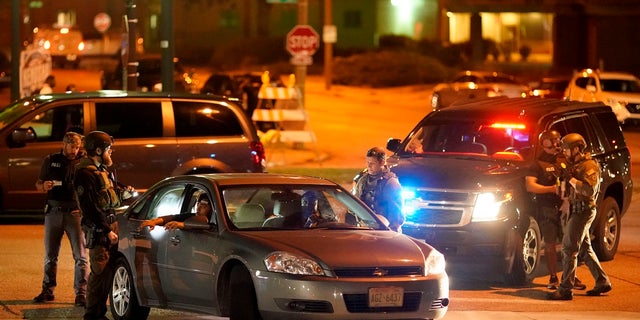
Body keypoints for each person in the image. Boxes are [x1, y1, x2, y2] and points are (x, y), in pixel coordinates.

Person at [74, 131, 134, 320]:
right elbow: (89, 207)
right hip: (99, 229)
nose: (111, 153)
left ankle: (99, 313)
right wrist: (106, 230)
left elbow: (109, 192)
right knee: (99, 272)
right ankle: (93, 315)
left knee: (108, 271)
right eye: (108, 150)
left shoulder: (102, 170)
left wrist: (123, 192)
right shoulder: (85, 173)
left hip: (110, 224)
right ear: (98, 150)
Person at [548, 133, 612, 300]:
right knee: (584, 248)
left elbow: (588, 190)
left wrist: (571, 179)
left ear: (577, 149)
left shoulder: (589, 166)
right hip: (575, 210)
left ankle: (565, 289)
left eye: (567, 150)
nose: (565, 153)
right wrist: (560, 178)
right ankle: (602, 281)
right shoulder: (573, 165)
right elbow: (561, 191)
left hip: (584, 210)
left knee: (569, 249)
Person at [33, 132, 88, 307]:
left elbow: (89, 189)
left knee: (81, 256)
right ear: (64, 144)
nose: (75, 150)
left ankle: (81, 293)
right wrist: (44, 186)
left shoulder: (83, 162)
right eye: (72, 147)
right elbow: (38, 183)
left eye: (78, 147)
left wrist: (82, 209)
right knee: (50, 255)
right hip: (54, 212)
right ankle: (48, 290)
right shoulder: (51, 160)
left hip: (74, 213)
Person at [525, 130, 585, 290]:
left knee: (570, 244)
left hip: (567, 206)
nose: (555, 148)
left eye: (557, 143)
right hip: (547, 207)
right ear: (543, 144)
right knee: (550, 244)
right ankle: (553, 278)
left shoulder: (565, 159)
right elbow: (530, 185)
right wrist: (551, 189)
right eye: (550, 145)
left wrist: (567, 199)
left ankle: (571, 277)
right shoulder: (537, 163)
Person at [352, 147, 404, 231]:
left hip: (385, 229)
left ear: (382, 162)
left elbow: (396, 213)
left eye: (373, 163)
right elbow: (355, 205)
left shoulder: (390, 182)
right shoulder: (362, 180)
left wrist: (392, 230)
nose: (369, 166)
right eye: (368, 162)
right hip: (365, 228)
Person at [140, 193, 213, 231]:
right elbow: (173, 217)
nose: (199, 208)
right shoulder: (191, 216)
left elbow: (202, 221)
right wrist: (154, 221)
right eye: (198, 204)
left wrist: (181, 224)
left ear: (211, 209)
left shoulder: (214, 223)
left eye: (203, 206)